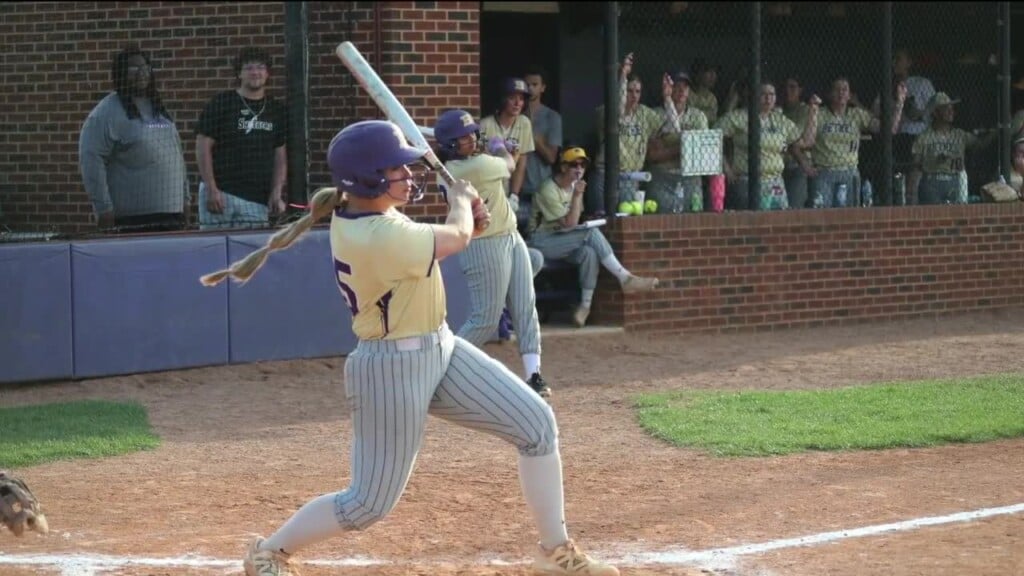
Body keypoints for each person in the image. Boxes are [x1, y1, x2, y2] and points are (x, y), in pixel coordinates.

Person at [199, 120, 619, 576]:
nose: (407, 174)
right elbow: (453, 238)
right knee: (367, 504)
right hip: (390, 368)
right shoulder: (374, 234)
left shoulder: (371, 215)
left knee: (536, 424)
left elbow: (450, 239)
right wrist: (461, 204)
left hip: (440, 347)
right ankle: (269, 551)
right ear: (368, 179)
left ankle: (555, 553)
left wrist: (466, 223)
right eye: (396, 168)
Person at [434, 109, 551, 399]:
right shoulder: (468, 170)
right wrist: (500, 147)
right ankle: (437, 369)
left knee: (525, 306)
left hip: (510, 236)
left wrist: (496, 147)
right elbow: (509, 165)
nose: (472, 139)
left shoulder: (463, 165)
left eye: (473, 133)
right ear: (450, 144)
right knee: (485, 319)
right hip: (484, 244)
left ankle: (533, 374)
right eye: (463, 137)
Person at [529, 145, 659, 328]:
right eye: (574, 165)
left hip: (563, 240)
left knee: (589, 253)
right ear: (564, 167)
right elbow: (569, 224)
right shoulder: (548, 188)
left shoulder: (575, 187)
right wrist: (577, 196)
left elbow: (572, 223)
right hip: (541, 240)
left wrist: (578, 198)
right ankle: (625, 278)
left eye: (583, 165)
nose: (579, 169)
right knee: (589, 233)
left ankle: (585, 307)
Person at [79, 46, 189, 232]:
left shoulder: (158, 109)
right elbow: (91, 160)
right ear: (120, 73)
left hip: (172, 216)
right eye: (133, 68)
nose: (142, 72)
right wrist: (103, 208)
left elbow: (177, 156)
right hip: (132, 220)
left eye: (145, 67)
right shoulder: (105, 114)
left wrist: (185, 199)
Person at [195, 47, 287, 230]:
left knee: (251, 256)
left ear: (267, 73)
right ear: (239, 73)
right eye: (249, 68)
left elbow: (280, 156)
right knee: (214, 253)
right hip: (221, 195)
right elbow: (202, 146)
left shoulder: (276, 110)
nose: (255, 73)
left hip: (256, 201)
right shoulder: (222, 103)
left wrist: (276, 193)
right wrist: (212, 189)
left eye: (260, 67)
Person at [716, 80, 818, 211]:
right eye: (763, 94)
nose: (768, 98)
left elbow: (806, 142)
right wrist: (726, 168)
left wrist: (813, 112)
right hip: (748, 181)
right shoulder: (738, 117)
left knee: (778, 223)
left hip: (775, 181)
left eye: (772, 94)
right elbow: (713, 138)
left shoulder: (779, 120)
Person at [810, 76, 905, 208]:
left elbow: (890, 130)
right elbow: (806, 140)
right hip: (825, 171)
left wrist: (900, 104)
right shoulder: (819, 114)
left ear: (849, 95)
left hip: (849, 172)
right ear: (830, 94)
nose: (841, 93)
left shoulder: (857, 114)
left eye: (845, 90)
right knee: (822, 216)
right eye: (837, 89)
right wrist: (805, 163)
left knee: (849, 218)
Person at [587, 52, 663, 216]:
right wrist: (623, 75)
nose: (634, 95)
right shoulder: (605, 110)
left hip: (630, 176)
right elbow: (618, 110)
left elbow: (669, 127)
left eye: (637, 91)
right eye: (629, 91)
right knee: (602, 220)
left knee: (627, 219)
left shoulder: (645, 114)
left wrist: (668, 98)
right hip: (605, 174)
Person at [911, 92, 997, 205]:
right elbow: (916, 164)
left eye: (952, 108)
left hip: (955, 180)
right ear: (936, 113)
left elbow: (980, 144)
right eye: (946, 108)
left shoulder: (959, 135)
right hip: (932, 182)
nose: (951, 111)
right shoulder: (924, 137)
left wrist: (998, 130)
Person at [646, 70, 709, 214]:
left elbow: (703, 154)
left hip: (691, 178)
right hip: (662, 176)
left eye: (685, 87)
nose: (681, 90)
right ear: (668, 89)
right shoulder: (654, 114)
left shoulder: (698, 116)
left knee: (693, 221)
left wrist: (667, 147)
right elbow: (652, 155)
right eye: (677, 86)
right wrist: (685, 147)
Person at [479, 77, 536, 212]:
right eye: (512, 98)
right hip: (488, 189)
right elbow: (480, 160)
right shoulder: (485, 124)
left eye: (521, 99)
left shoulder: (524, 123)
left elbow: (522, 161)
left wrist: (514, 195)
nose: (517, 103)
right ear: (503, 99)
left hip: (509, 189)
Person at [523, 66, 564, 230]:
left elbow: (551, 157)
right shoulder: (513, 114)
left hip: (540, 187)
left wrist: (533, 136)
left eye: (535, 84)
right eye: (527, 85)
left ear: (543, 88)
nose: (530, 89)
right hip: (516, 189)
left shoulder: (552, 117)